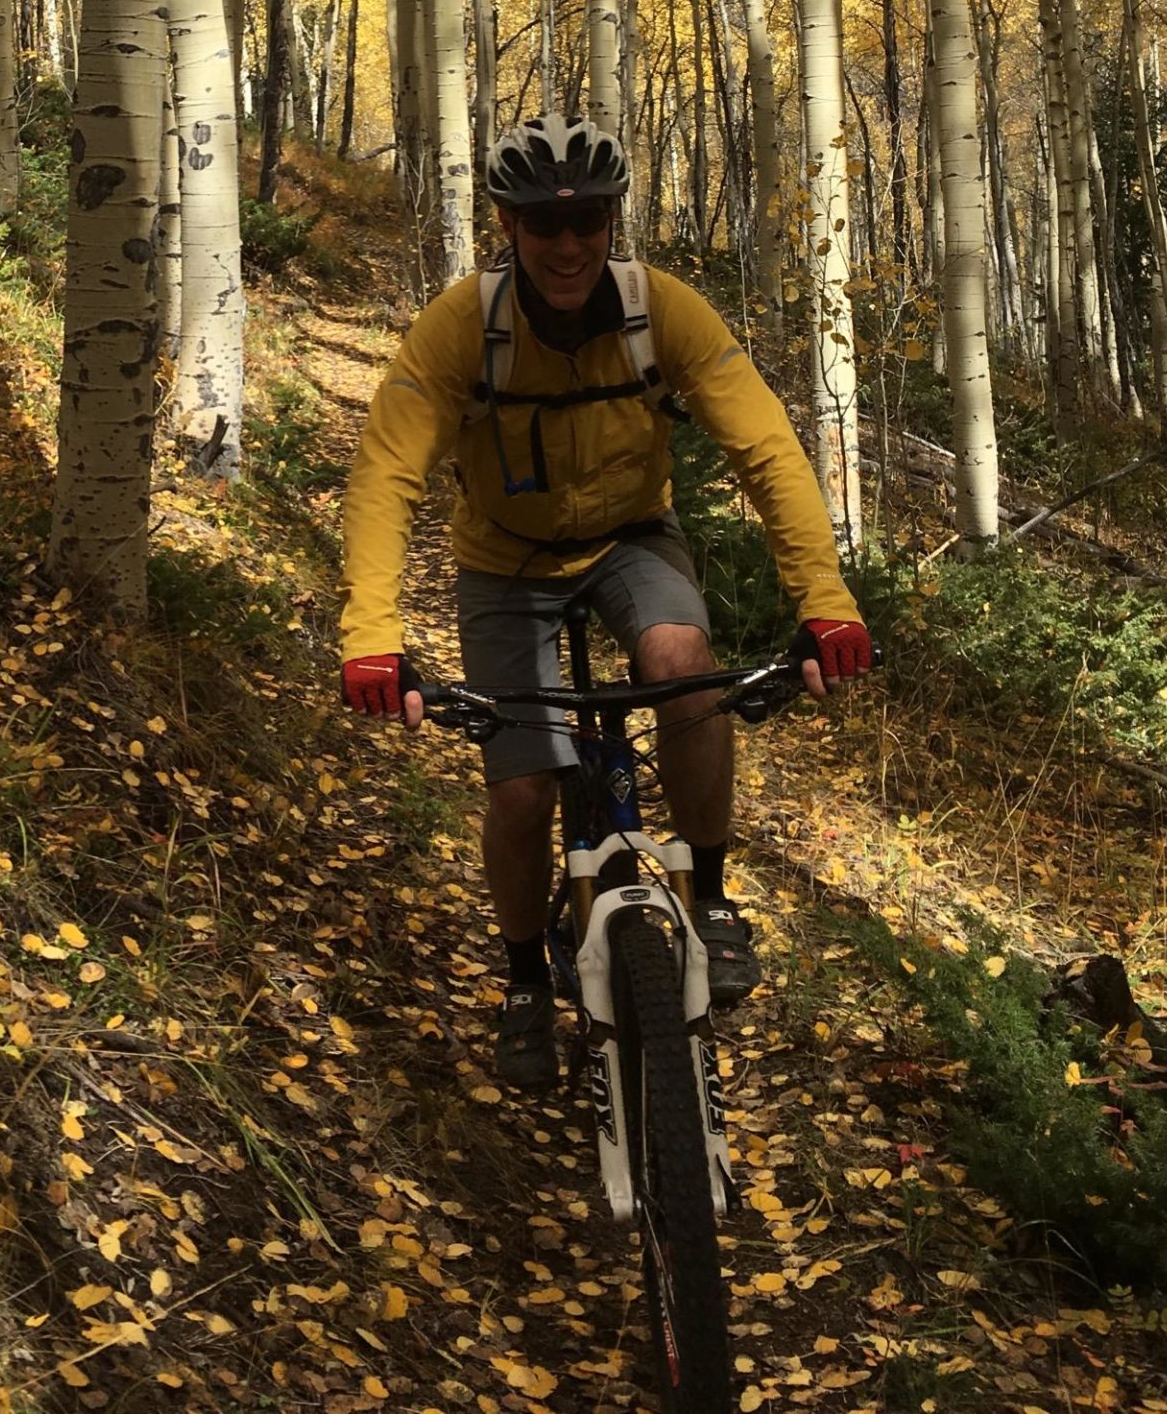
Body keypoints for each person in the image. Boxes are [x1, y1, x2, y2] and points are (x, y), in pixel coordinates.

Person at [338, 113, 872, 1092]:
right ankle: (523, 981)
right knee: (522, 784)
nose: (571, 242)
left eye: (590, 219)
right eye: (546, 224)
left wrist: (824, 598)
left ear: (614, 217)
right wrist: (371, 633)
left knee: (685, 671)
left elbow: (766, 450)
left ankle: (707, 895)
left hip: (632, 539)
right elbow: (386, 473)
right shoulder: (464, 326)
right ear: (507, 223)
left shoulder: (660, 312)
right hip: (504, 563)